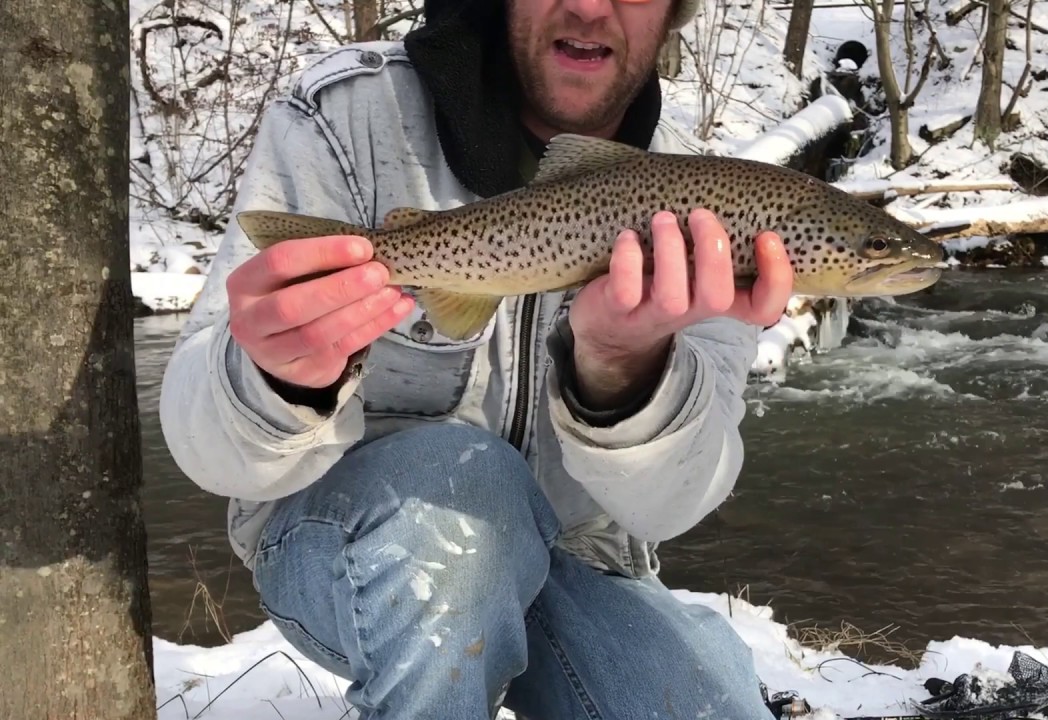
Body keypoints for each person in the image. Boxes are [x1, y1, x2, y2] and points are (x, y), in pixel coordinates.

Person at [158, 0, 795, 717]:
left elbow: (672, 506)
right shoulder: (344, 116)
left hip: (575, 560)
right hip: (344, 544)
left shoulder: (713, 207)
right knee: (471, 492)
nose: (587, 6)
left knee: (708, 702)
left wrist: (622, 366)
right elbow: (208, 457)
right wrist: (281, 378)